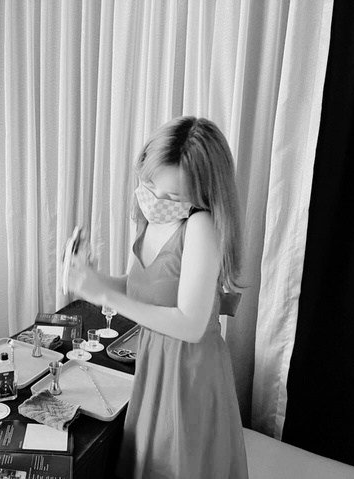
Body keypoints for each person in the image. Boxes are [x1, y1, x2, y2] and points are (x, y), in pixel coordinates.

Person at [67, 116, 248, 478]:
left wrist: (103, 294)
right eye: (150, 185)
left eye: (174, 196)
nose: (158, 201)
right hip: (154, 361)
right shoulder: (152, 216)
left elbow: (191, 324)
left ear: (202, 194)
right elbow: (142, 287)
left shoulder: (201, 226)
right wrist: (91, 278)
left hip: (188, 373)